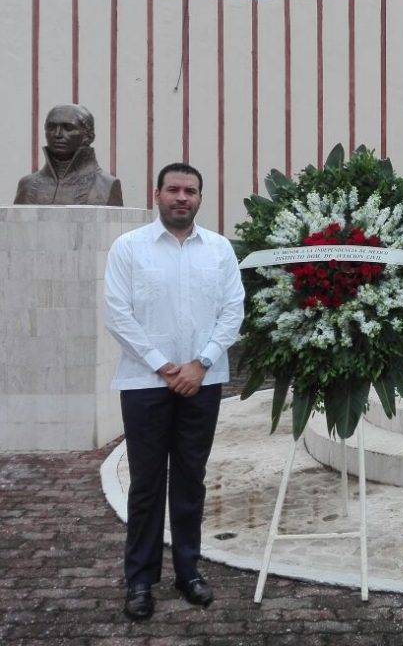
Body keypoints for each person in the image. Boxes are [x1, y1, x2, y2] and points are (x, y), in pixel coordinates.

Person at [104, 163, 244, 620]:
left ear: (200, 198)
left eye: (191, 191)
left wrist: (200, 363)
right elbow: (118, 314)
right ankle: (140, 580)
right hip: (146, 384)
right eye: (174, 190)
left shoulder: (220, 250)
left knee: (190, 480)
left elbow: (232, 313)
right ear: (157, 194)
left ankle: (189, 571)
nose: (182, 197)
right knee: (146, 485)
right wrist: (166, 367)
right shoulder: (129, 248)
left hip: (202, 382)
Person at [13, 103, 123, 205]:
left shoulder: (106, 185)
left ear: (88, 136)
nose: (57, 134)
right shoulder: (27, 185)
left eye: (68, 128)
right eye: (51, 127)